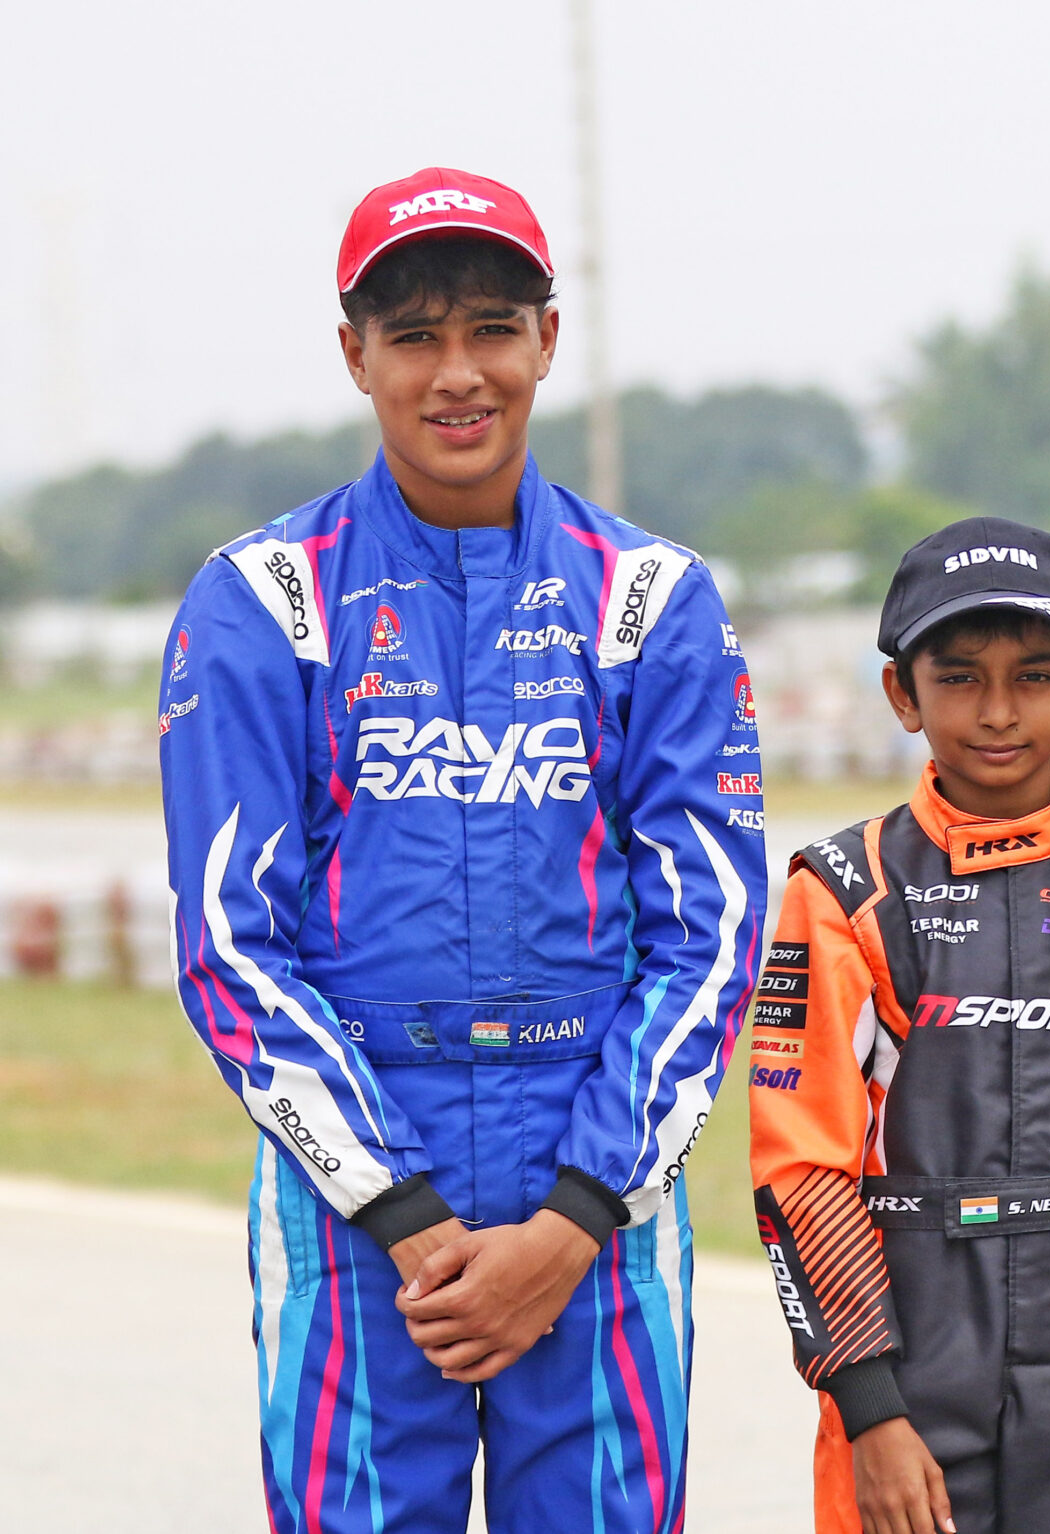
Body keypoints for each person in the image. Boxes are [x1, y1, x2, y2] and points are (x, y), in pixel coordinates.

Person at [157, 168, 764, 1533]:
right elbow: (228, 939)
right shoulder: (268, 596)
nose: (456, 372)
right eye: (414, 333)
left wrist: (570, 1223)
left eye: (490, 327)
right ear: (353, 353)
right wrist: (409, 1216)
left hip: (591, 1184)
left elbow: (711, 933)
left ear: (548, 340)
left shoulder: (651, 598)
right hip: (359, 1198)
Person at [750, 516, 1050, 1534]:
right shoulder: (841, 891)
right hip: (906, 1351)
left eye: (1034, 675)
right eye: (960, 676)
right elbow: (799, 1169)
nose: (999, 711)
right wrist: (869, 1410)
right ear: (902, 693)